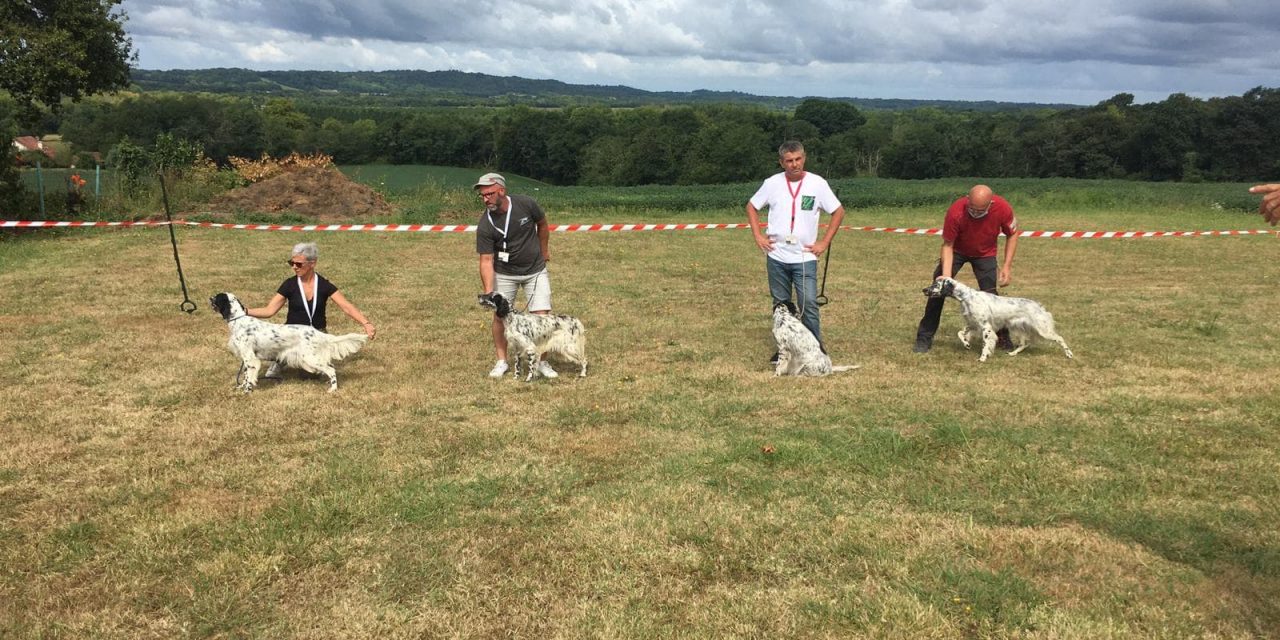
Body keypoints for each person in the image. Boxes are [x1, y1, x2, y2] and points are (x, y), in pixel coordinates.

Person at [745, 141, 846, 362]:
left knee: (808, 302)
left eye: (798, 159)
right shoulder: (771, 183)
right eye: (789, 161)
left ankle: (815, 348)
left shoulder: (817, 184)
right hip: (777, 255)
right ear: (782, 163)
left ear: (804, 158)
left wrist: (824, 242)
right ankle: (785, 348)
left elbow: (838, 211)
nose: (794, 164)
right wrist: (758, 236)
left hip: (804, 256)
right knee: (781, 304)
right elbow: (751, 206)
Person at [913, 185, 1019, 353]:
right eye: (972, 209)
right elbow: (948, 245)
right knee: (936, 293)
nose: (975, 214)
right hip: (956, 252)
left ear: (990, 204)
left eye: (980, 211)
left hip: (985, 254)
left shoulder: (1003, 208)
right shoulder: (956, 211)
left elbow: (1012, 234)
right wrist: (946, 279)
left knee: (992, 297)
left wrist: (1006, 266)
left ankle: (1002, 337)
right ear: (967, 199)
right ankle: (924, 338)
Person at [247, 242, 376, 376]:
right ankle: (279, 360)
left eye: (299, 264)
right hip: (292, 335)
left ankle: (315, 360)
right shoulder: (289, 284)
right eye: (292, 263)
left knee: (310, 375)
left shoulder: (324, 285)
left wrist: (366, 323)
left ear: (312, 263)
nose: (294, 267)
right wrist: (244, 311)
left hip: (316, 333)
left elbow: (346, 306)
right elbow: (269, 310)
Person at [474, 172, 556, 379]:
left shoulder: (526, 204)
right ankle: (501, 361)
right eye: (483, 196)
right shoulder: (485, 224)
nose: (486, 199)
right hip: (505, 274)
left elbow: (543, 224)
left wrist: (544, 250)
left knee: (542, 317)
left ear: (502, 190)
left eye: (489, 194)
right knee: (499, 317)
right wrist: (489, 292)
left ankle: (542, 362)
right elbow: (485, 260)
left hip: (535, 270)